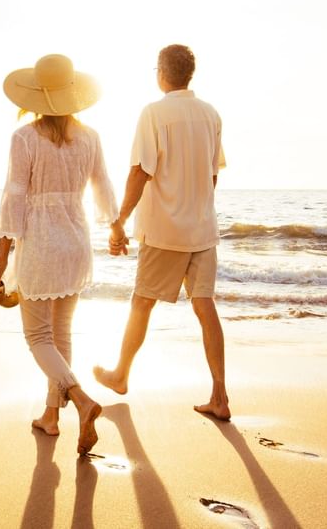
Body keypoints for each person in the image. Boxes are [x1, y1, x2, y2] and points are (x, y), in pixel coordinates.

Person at [0, 53, 119, 455]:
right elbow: (102, 185)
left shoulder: (25, 138)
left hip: (42, 243)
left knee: (38, 336)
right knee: (61, 333)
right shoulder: (90, 137)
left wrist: (2, 256)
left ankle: (80, 399)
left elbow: (15, 196)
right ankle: (51, 416)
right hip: (76, 240)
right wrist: (115, 227)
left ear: (36, 95)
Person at [94, 44, 231, 420]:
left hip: (165, 230)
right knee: (205, 306)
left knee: (142, 302)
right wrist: (198, 208)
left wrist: (120, 221)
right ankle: (220, 396)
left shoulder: (153, 113)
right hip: (203, 229)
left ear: (161, 73)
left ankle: (121, 374)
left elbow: (140, 171)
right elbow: (212, 175)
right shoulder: (211, 114)